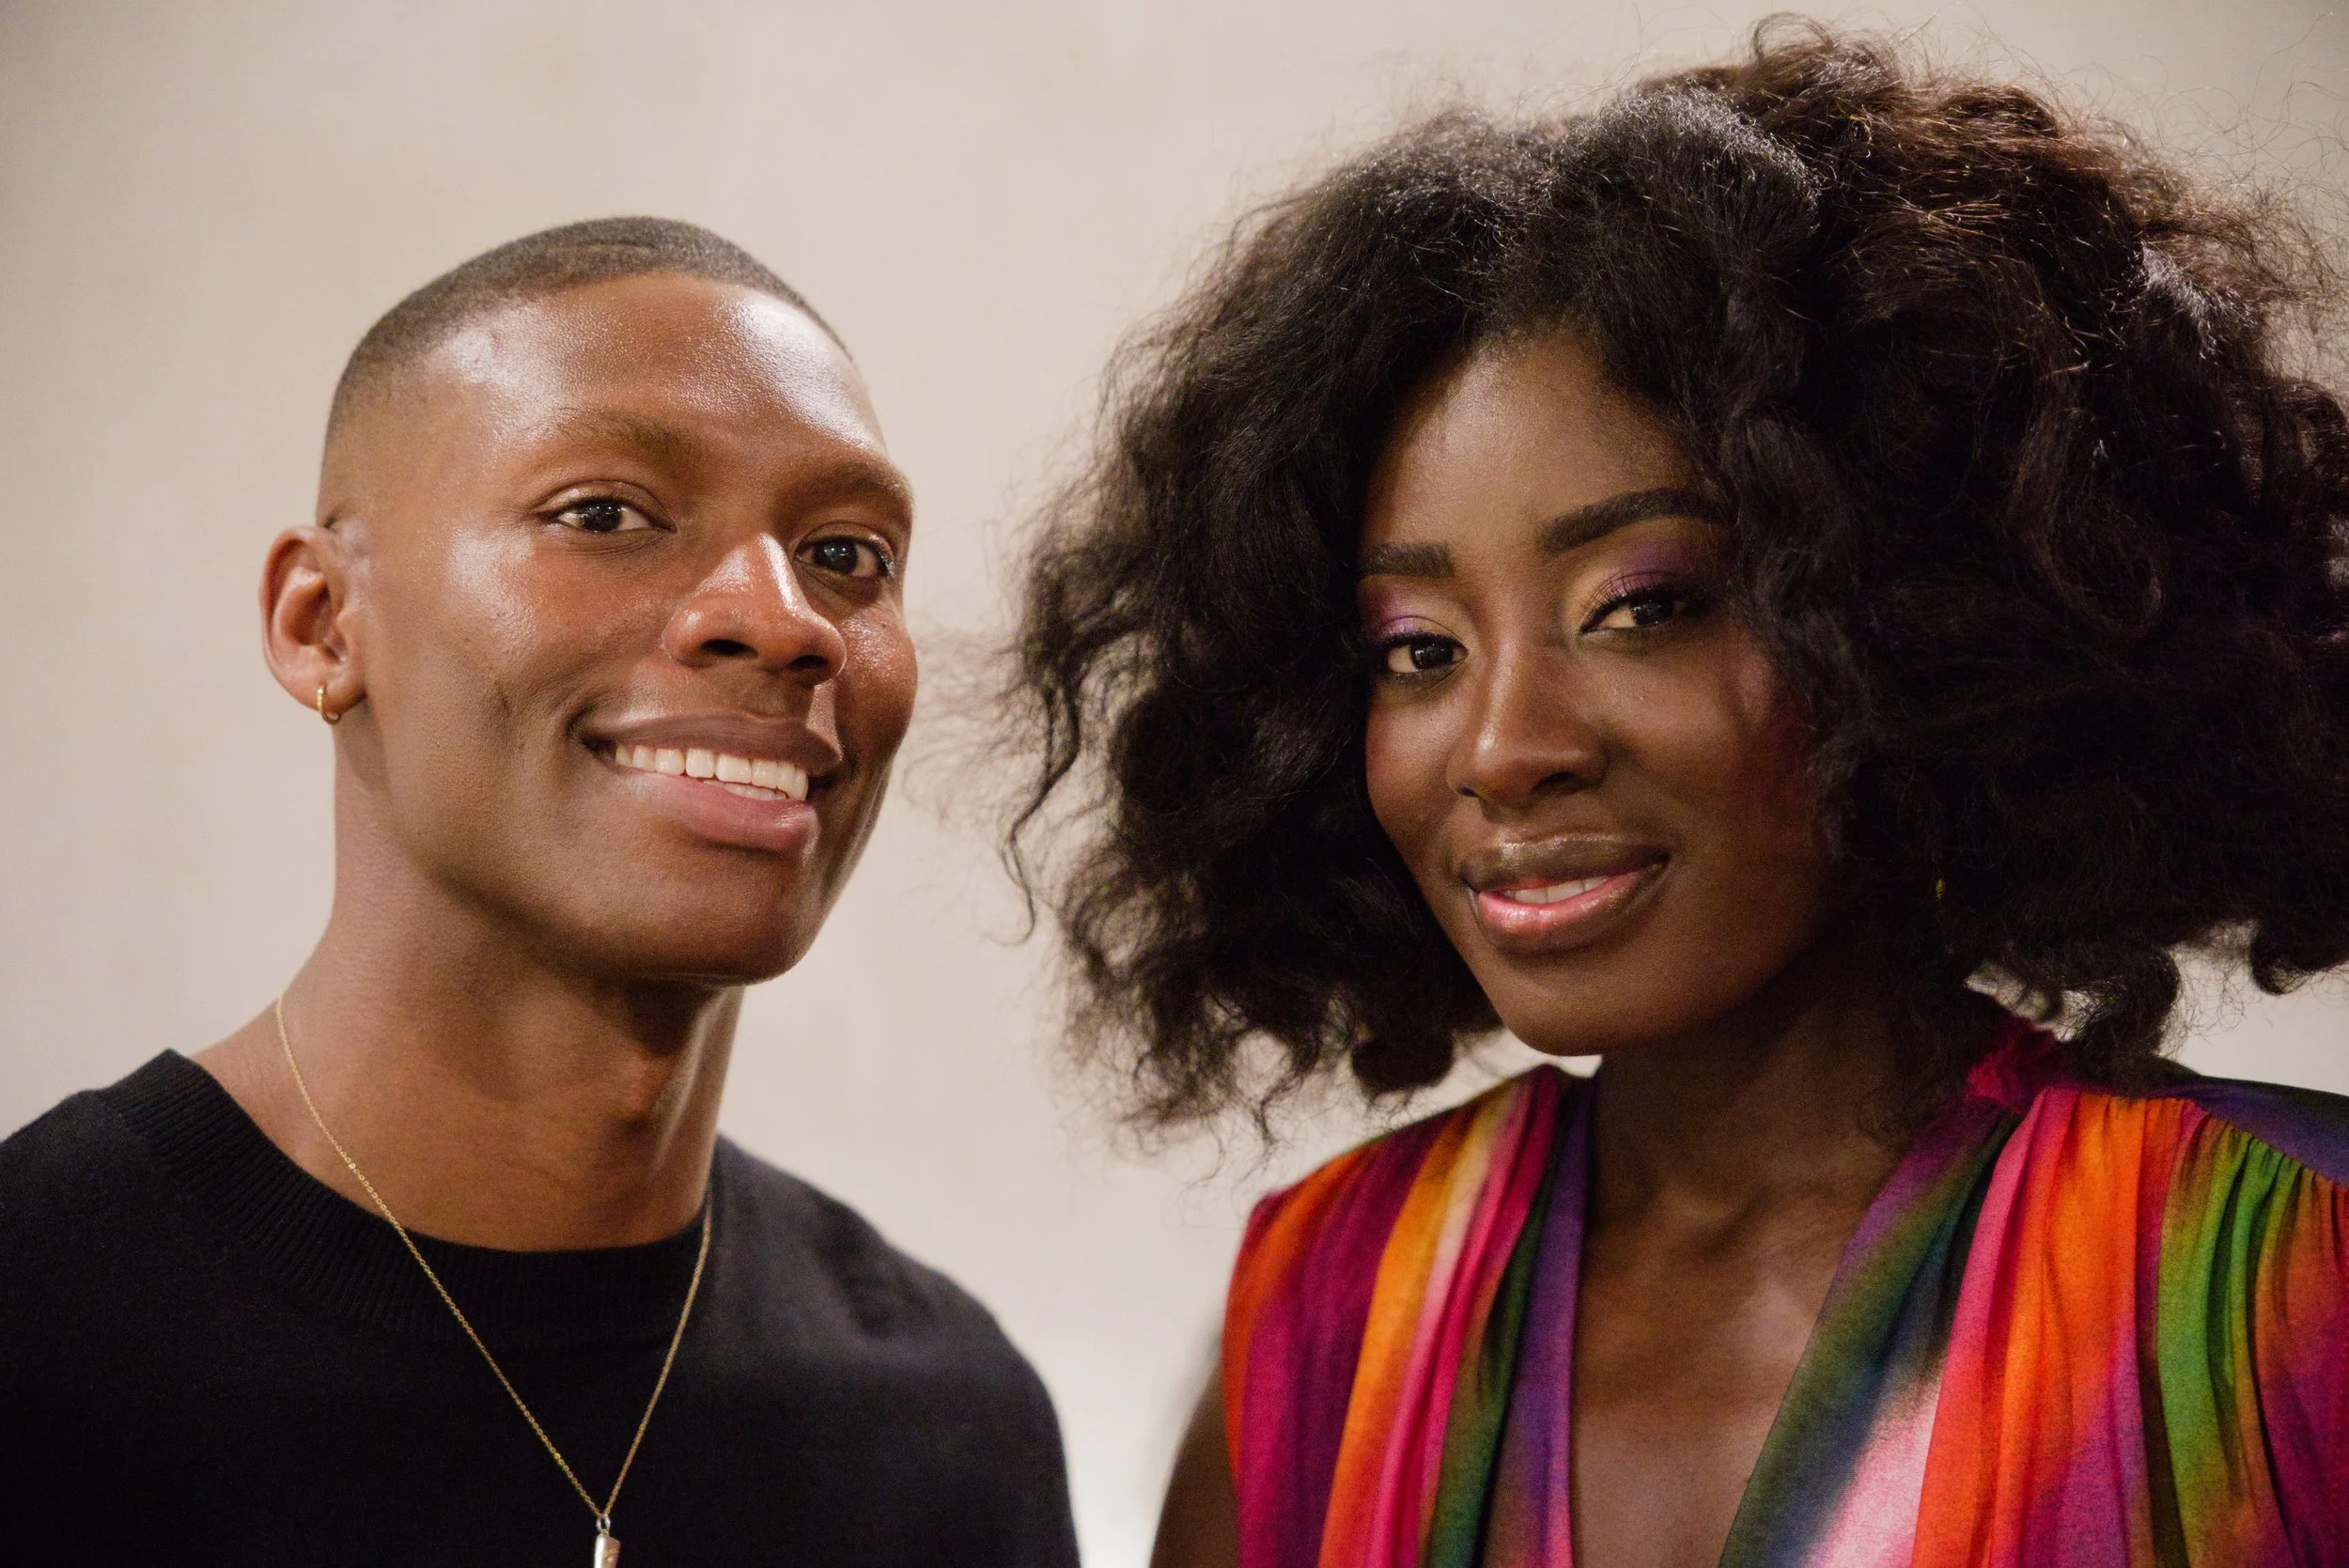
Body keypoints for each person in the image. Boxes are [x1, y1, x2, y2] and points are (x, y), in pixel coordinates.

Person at [1004, 24, 2349, 1568]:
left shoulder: (2286, 1276)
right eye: (1418, 650)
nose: (1503, 746)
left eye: (1643, 606)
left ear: (1914, 622)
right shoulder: (1331, 1314)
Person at [0, 217, 1079, 1566]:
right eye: (604, 516)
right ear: (321, 624)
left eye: (848, 554)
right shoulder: (40, 1344)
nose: (781, 617)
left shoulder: (951, 1433)